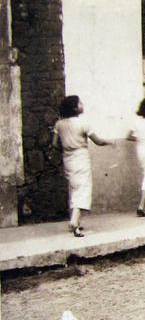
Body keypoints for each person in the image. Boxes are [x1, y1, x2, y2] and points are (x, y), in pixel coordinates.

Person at [52, 95, 113, 237]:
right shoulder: (83, 123)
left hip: (67, 158)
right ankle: (74, 221)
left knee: (73, 188)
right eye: (80, 103)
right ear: (75, 107)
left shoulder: (59, 124)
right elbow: (97, 141)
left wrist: (66, 149)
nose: (82, 105)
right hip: (81, 158)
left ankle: (76, 221)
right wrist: (110, 143)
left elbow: (54, 144)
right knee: (83, 188)